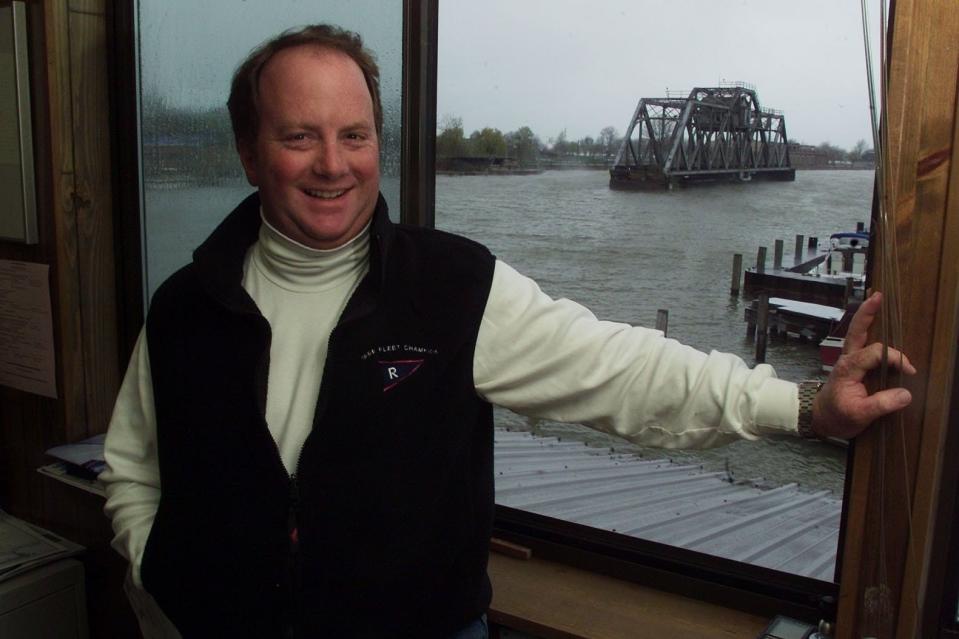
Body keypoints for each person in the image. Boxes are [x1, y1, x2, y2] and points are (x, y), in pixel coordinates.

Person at [101, 24, 915, 639]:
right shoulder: (185, 304)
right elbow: (134, 465)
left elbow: (622, 371)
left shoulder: (452, 287)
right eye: (298, 136)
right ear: (249, 152)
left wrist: (805, 405)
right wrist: (162, 583)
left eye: (353, 135)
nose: (332, 164)